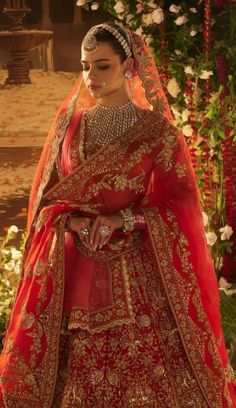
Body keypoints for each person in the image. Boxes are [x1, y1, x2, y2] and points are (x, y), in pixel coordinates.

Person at [0, 21, 235, 408]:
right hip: (73, 268)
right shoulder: (69, 126)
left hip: (139, 275)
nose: (91, 77)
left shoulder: (156, 132)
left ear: (129, 65)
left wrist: (122, 221)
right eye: (85, 65)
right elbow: (47, 203)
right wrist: (72, 221)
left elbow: (179, 208)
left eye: (102, 65)